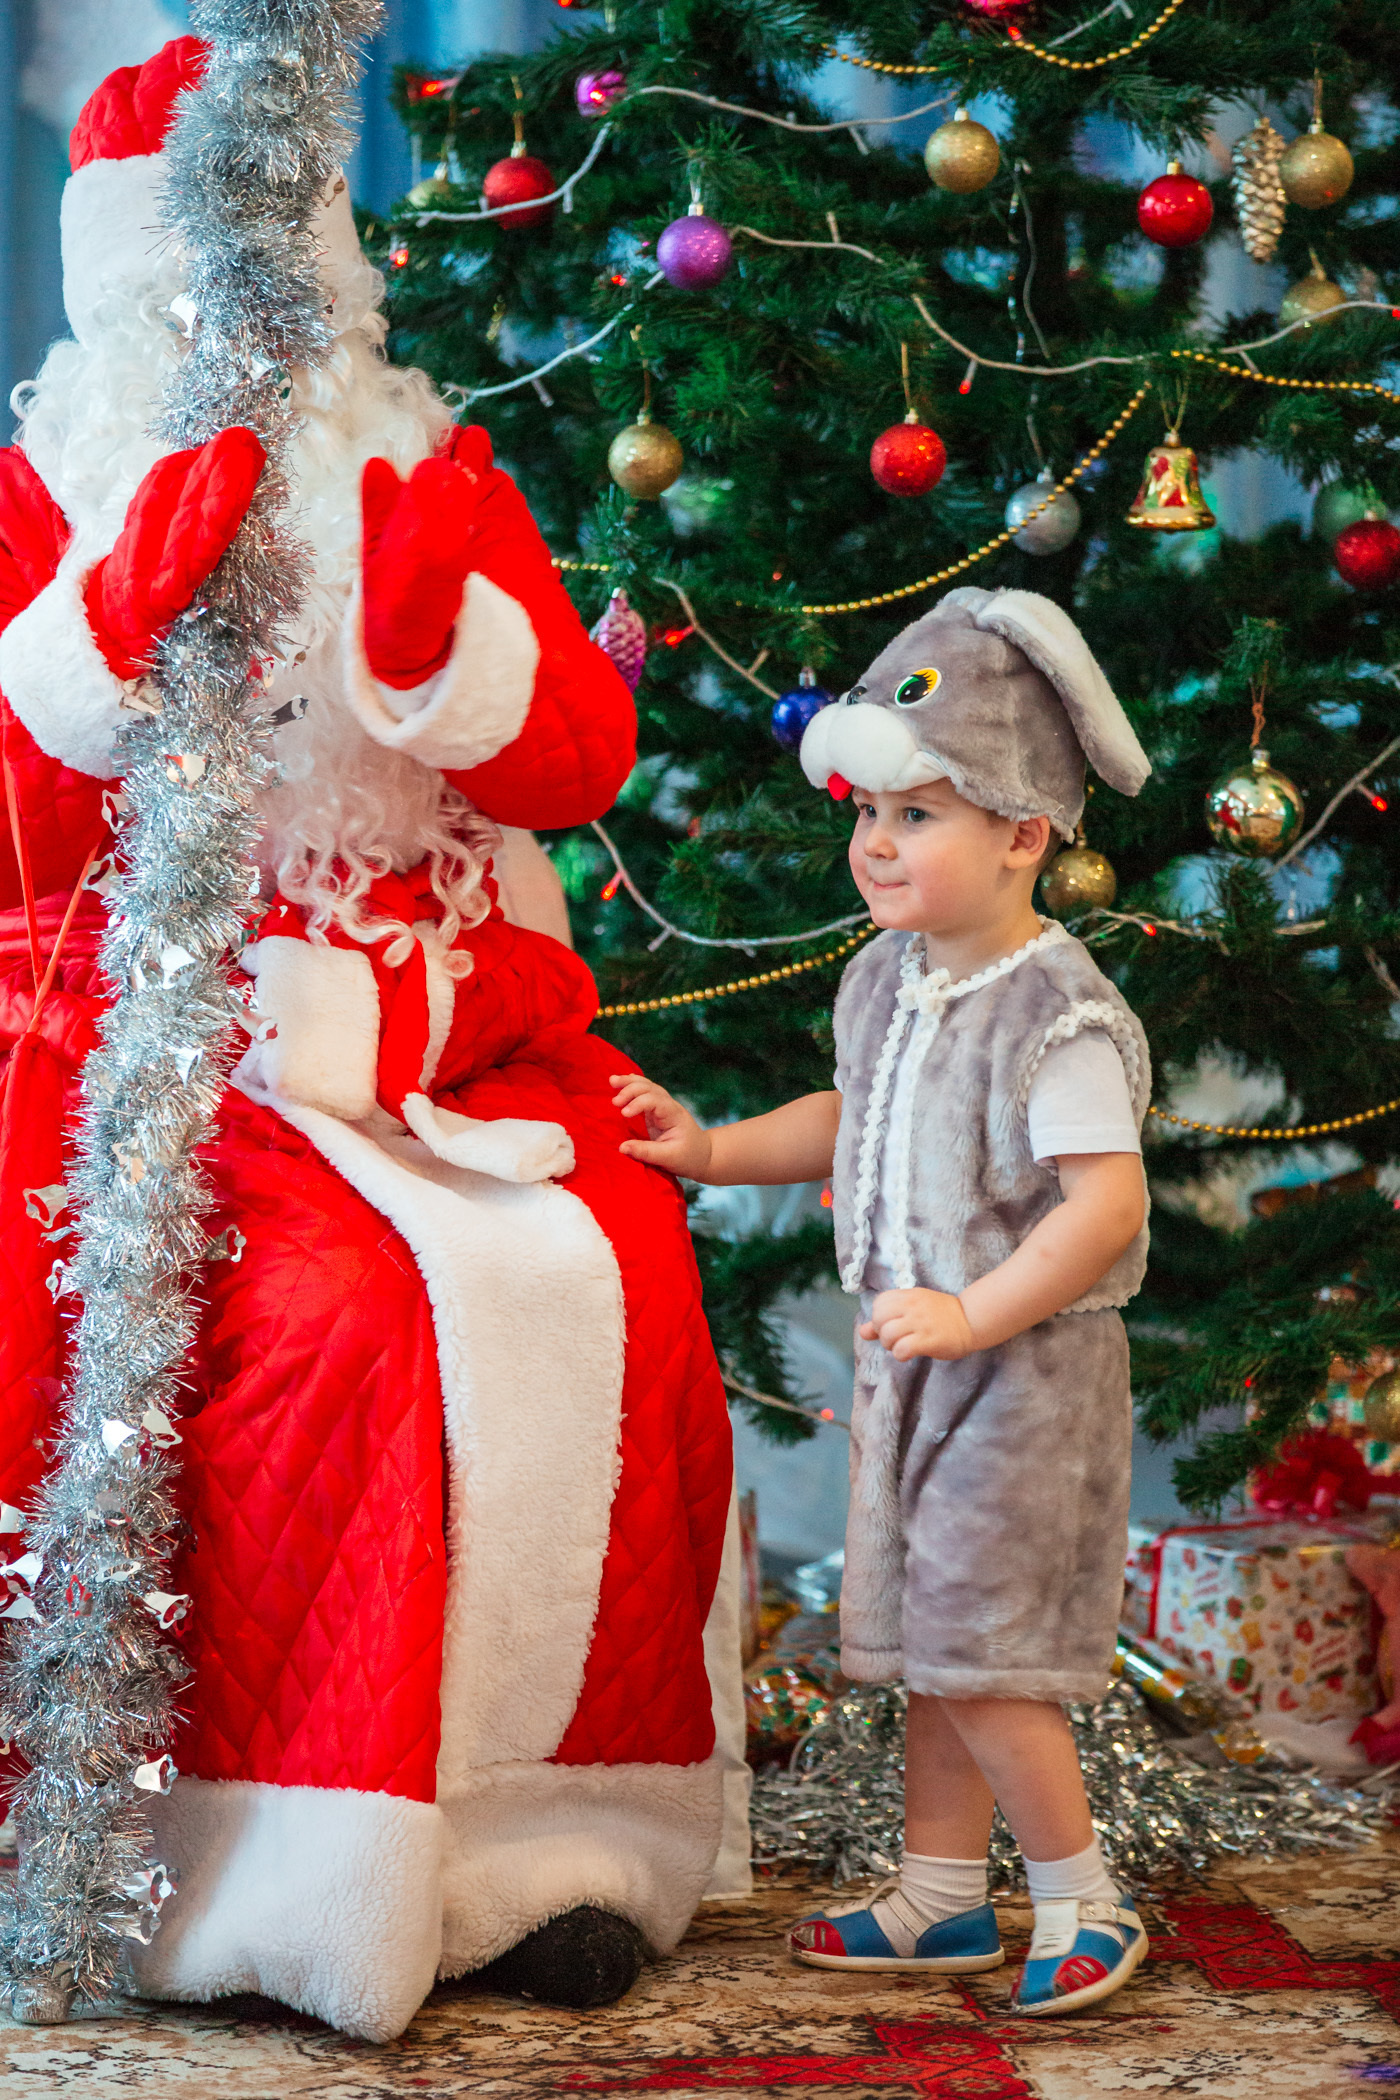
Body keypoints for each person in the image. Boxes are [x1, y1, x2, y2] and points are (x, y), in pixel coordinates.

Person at [0, 38, 744, 2040]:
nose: (245, 345)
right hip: (169, 1073)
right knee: (343, 1322)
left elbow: (580, 760)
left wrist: (444, 657)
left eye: (281, 297)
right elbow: (22, 829)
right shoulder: (38, 494)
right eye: (191, 304)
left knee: (621, 1277)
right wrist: (93, 645)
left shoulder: (425, 473)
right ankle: (264, 1869)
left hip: (460, 1046)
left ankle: (555, 1847)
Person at [611, 586, 1155, 2018]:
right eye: (867, 816)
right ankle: (940, 1894)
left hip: (1024, 1372)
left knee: (986, 1653)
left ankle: (1083, 1893)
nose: (874, 844)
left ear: (1023, 830)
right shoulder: (888, 979)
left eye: (917, 816)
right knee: (928, 1646)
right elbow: (852, 1115)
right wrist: (717, 1150)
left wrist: (976, 1314)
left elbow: (1106, 1206)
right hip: (919, 1357)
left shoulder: (1063, 1011)